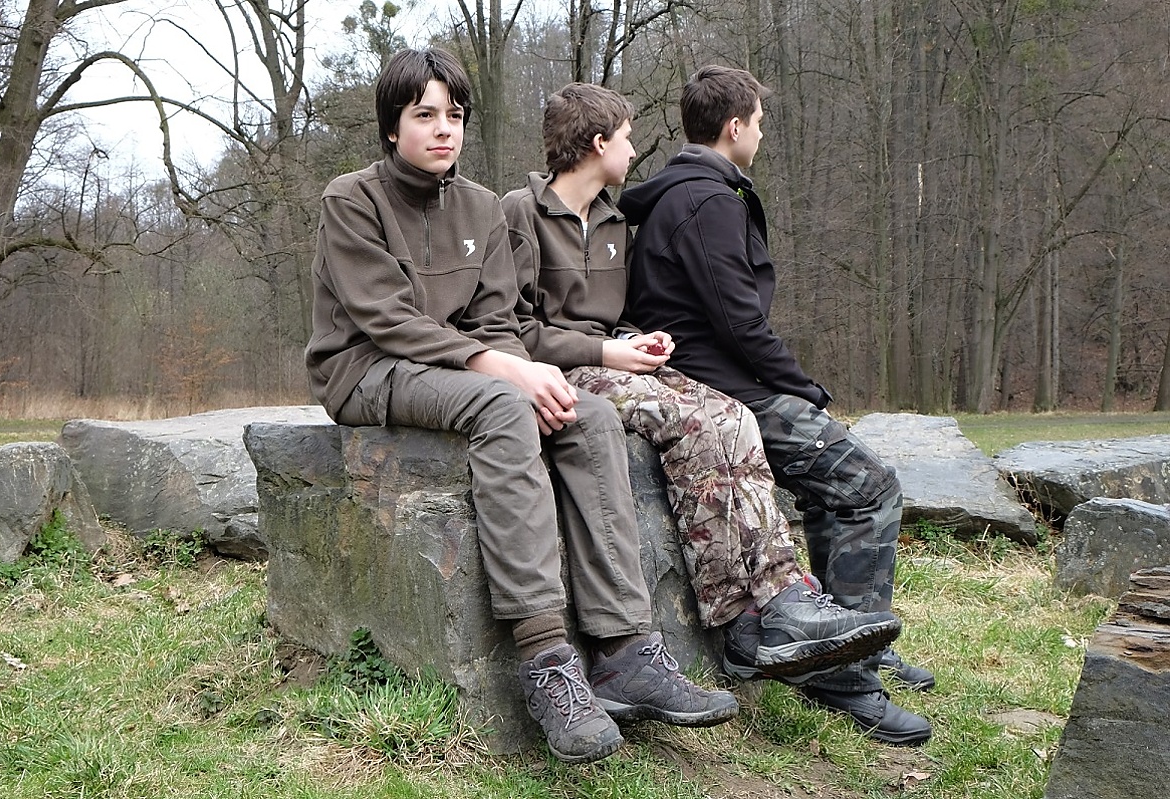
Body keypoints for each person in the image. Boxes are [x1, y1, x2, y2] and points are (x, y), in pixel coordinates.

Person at [303, 48, 740, 765]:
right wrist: (504, 371)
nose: (443, 129)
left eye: (454, 115)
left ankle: (626, 649)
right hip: (367, 368)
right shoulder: (352, 199)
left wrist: (530, 372)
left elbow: (496, 320)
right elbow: (386, 319)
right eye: (424, 115)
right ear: (391, 127)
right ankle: (547, 661)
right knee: (506, 409)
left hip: (461, 369)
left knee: (586, 413)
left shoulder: (480, 206)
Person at [500, 83, 902, 690]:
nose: (634, 150)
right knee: (687, 422)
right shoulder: (520, 213)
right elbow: (514, 327)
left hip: (618, 362)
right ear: (598, 143)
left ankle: (784, 596)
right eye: (628, 138)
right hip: (561, 370)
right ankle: (734, 618)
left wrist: (640, 339)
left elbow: (623, 312)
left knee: (735, 416)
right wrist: (605, 350)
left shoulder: (614, 222)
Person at [618, 65, 935, 745]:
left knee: (836, 487)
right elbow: (740, 323)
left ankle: (848, 643)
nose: (761, 134)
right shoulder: (706, 201)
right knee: (869, 485)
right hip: (723, 390)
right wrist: (803, 389)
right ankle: (846, 677)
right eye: (758, 122)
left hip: (718, 376)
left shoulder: (691, 192)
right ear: (734, 126)